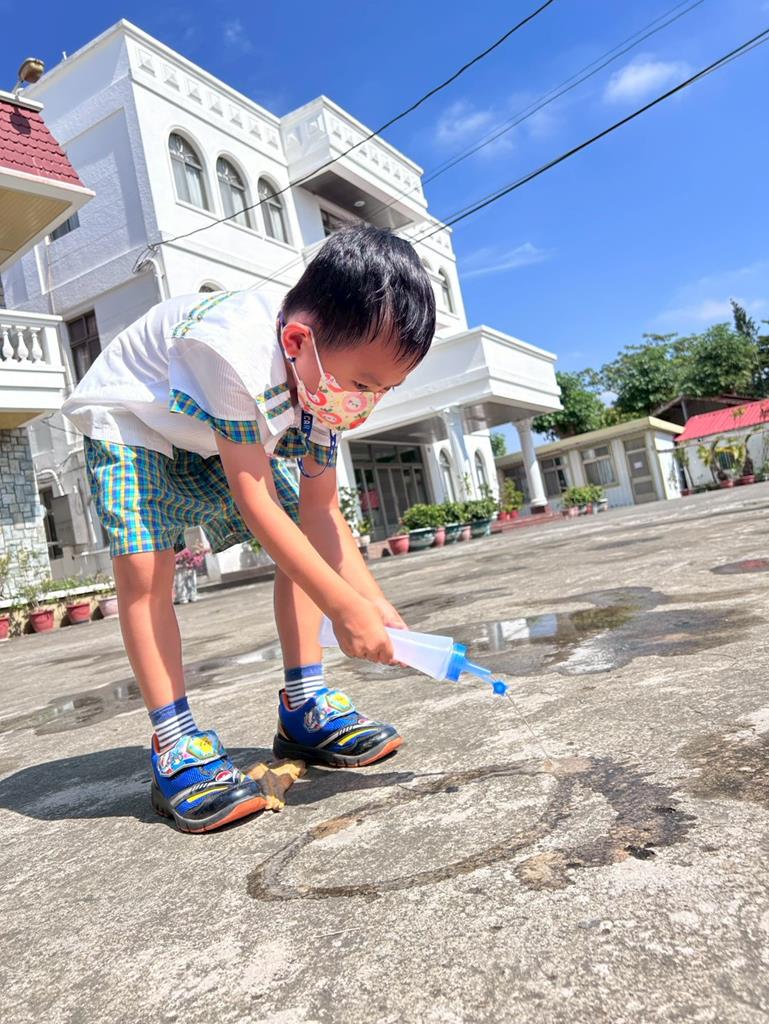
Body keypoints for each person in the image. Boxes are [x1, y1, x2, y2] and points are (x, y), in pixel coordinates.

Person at [61, 226, 436, 833]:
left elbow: (322, 513)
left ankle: (304, 705)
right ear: (297, 341)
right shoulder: (236, 349)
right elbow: (254, 501)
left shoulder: (325, 385)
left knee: (301, 536)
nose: (365, 403)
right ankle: (175, 740)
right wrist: (343, 609)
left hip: (209, 431)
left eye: (383, 391)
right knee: (144, 569)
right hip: (135, 417)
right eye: (364, 385)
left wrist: (374, 603)